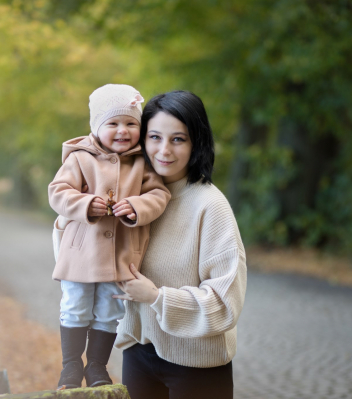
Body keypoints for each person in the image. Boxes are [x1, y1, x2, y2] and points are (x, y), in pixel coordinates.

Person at [113, 90, 247, 399]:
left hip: (197, 365)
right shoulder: (133, 198)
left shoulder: (210, 206)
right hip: (138, 352)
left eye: (178, 139)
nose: (164, 150)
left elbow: (225, 304)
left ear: (196, 142)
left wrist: (157, 297)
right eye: (155, 137)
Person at [48, 84, 171, 390]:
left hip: (121, 254)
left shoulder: (143, 163)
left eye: (131, 123)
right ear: (96, 127)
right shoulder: (80, 158)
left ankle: (97, 367)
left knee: (109, 310)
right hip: (82, 251)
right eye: (113, 123)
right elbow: (58, 193)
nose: (122, 130)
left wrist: (138, 206)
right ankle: (71, 366)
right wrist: (85, 203)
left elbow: (160, 194)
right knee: (75, 304)